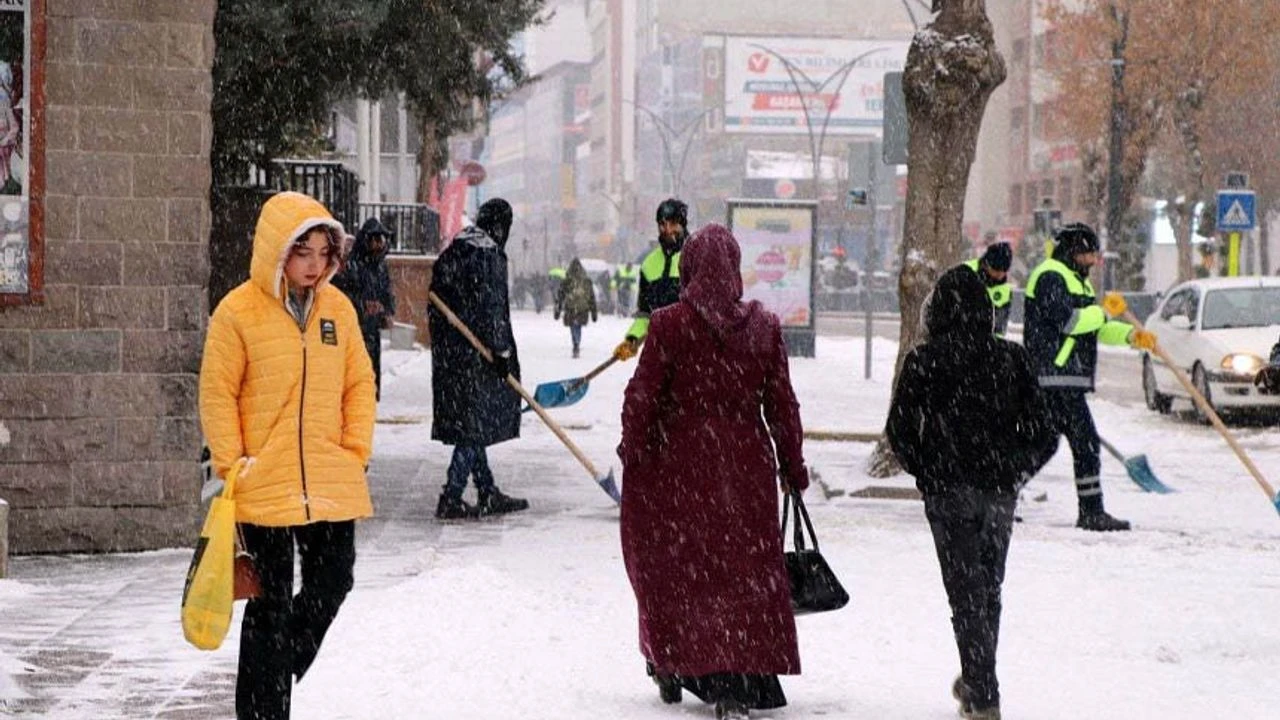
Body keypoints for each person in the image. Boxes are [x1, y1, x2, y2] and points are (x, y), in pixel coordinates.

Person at [619, 224, 808, 720]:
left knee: (684, 571)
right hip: (746, 468)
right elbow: (782, 405)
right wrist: (792, 466)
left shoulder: (669, 324)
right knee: (742, 575)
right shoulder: (764, 327)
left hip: (681, 466)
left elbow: (641, 397)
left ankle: (683, 663)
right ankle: (742, 673)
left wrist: (633, 450)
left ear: (688, 269)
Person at [199, 191, 376, 720]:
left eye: (324, 253)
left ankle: (272, 675)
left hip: (329, 472)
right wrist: (234, 464)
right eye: (305, 253)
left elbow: (358, 381)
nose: (315, 265)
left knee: (334, 580)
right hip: (263, 479)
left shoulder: (337, 309)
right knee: (268, 606)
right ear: (279, 250)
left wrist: (355, 449)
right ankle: (263, 711)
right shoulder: (237, 312)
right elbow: (217, 392)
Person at [887, 266, 1056, 720]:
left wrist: (927, 472)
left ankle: (983, 690)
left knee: (966, 593)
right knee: (987, 590)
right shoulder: (1011, 359)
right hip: (997, 492)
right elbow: (1045, 432)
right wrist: (1015, 471)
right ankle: (978, 681)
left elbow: (899, 432)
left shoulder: (924, 361)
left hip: (948, 492)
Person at [1023, 223, 1156, 531]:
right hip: (1051, 376)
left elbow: (1093, 327)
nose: (1094, 261)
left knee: (1044, 445)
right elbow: (1070, 323)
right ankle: (1091, 512)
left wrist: (1132, 337)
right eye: (1089, 255)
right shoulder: (1050, 276)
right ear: (1073, 252)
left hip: (1066, 378)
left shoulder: (1076, 281)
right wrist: (1104, 312)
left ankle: (1002, 493)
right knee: (1083, 444)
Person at [427, 198, 529, 520]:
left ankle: (487, 491)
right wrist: (500, 353)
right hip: (477, 358)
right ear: (502, 226)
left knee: (473, 422)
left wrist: (449, 344)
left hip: (452, 355)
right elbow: (492, 308)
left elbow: (436, 302)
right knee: (473, 428)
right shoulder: (488, 256)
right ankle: (452, 496)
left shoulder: (454, 251)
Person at [614, 198, 689, 362]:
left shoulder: (695, 257)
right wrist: (632, 340)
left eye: (673, 223)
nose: (667, 229)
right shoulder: (649, 265)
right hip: (658, 355)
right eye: (663, 224)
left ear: (683, 224)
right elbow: (645, 315)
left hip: (691, 356)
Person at [332, 217, 396, 401]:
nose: (378, 245)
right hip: (355, 327)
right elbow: (342, 294)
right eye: (374, 240)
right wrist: (362, 305)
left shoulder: (380, 267)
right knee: (355, 367)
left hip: (372, 328)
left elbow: (386, 291)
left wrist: (387, 310)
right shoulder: (353, 265)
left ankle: (369, 396)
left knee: (371, 365)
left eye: (381, 240)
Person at [962, 241, 1014, 337]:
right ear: (987, 265)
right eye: (997, 270)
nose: (1000, 275)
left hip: (984, 344)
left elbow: (999, 327)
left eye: (1004, 271)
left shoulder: (1005, 291)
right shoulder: (966, 271)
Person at [554, 258, 598, 358]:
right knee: (577, 327)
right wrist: (594, 312)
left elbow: (560, 296)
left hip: (571, 307)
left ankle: (575, 343)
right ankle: (577, 342)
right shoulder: (586, 281)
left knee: (573, 327)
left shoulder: (567, 281)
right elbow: (592, 297)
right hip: (582, 308)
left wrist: (558, 310)